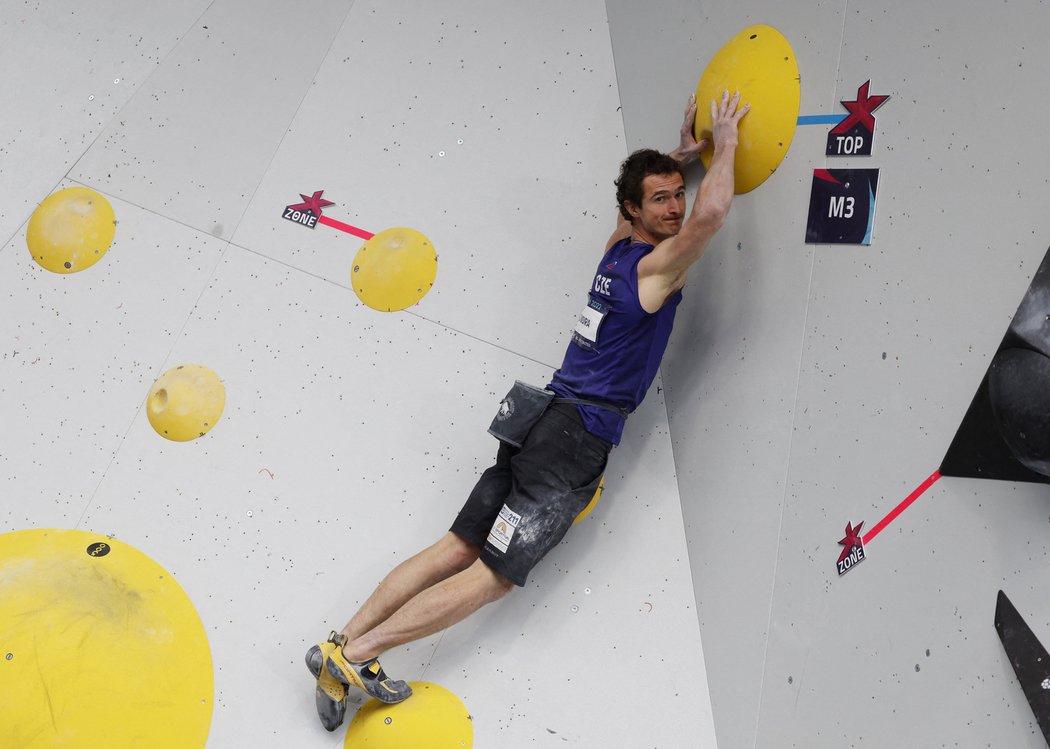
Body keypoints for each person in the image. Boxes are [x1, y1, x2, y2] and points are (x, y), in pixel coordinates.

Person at [305, 90, 750, 731]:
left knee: (455, 545)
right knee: (494, 573)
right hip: (572, 441)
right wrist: (728, 142)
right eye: (661, 198)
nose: (676, 206)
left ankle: (338, 644)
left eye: (675, 194)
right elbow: (710, 218)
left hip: (538, 418)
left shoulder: (615, 250)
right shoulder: (654, 268)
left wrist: (679, 159)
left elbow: (667, 209)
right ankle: (358, 657)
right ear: (633, 209)